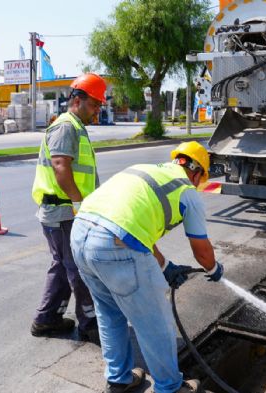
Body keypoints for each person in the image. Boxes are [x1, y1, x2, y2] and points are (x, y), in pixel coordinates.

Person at [70, 141, 224, 393]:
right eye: (200, 179)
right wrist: (214, 269)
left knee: (109, 313)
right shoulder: (186, 190)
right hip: (114, 244)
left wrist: (165, 267)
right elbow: (202, 251)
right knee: (155, 322)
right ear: (196, 173)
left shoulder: (144, 170)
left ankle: (118, 379)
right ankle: (170, 388)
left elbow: (136, 229)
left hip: (80, 234)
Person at [30, 73, 107, 342]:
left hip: (64, 211)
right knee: (78, 268)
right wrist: (79, 204)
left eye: (99, 105)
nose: (98, 110)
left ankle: (47, 319)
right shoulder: (66, 127)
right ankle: (90, 324)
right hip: (65, 211)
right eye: (95, 104)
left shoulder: (75, 126)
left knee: (62, 266)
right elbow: (61, 168)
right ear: (77, 99)